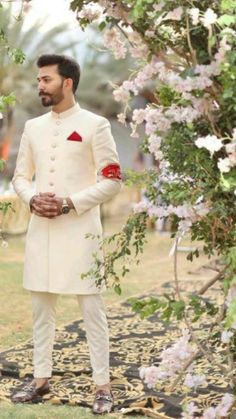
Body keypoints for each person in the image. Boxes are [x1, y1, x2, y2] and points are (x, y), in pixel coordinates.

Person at [11, 54, 122, 414]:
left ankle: (102, 386)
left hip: (80, 232)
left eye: (46, 79)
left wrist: (69, 203)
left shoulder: (95, 125)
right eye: (39, 80)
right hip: (41, 230)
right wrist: (31, 200)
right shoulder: (33, 128)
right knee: (41, 308)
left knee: (92, 309)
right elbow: (20, 177)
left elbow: (112, 180)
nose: (39, 85)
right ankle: (40, 378)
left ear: (67, 83)